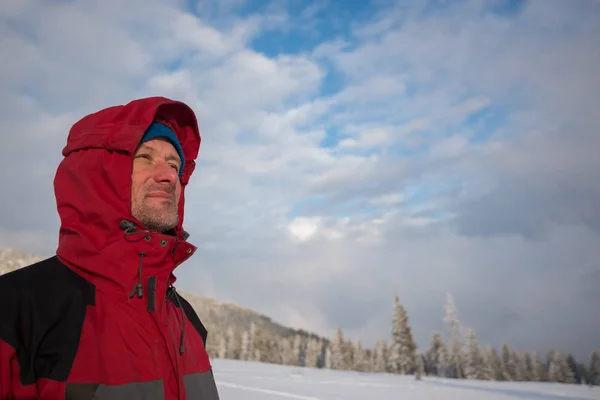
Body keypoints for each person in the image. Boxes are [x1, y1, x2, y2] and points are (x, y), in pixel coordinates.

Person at [0, 97, 220, 399]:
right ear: (97, 173)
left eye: (174, 164)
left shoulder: (187, 322)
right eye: (145, 157)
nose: (170, 175)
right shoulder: (15, 310)